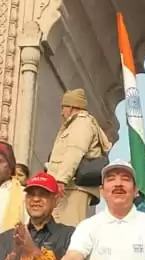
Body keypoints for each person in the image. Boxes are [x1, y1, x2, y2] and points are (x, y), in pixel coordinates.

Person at [44, 88, 111, 225]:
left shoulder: (82, 123)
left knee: (68, 230)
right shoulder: (77, 124)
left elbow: (74, 152)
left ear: (72, 107)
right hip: (69, 187)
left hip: (72, 188)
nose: (61, 113)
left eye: (63, 108)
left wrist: (61, 179)